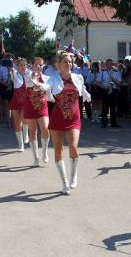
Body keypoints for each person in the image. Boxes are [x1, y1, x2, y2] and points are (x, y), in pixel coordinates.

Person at [46, 52, 91, 195]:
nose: (68, 64)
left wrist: (87, 96)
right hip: (57, 118)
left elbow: (82, 91)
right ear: (58, 64)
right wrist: (38, 84)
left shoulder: (78, 77)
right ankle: (64, 182)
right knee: (58, 150)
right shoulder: (52, 79)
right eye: (65, 62)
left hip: (74, 118)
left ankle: (74, 175)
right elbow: (45, 86)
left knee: (73, 146)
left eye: (70, 62)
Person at [24, 57, 50, 166]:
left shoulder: (46, 77)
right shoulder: (27, 76)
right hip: (30, 107)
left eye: (41, 65)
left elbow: (48, 89)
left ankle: (45, 152)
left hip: (42, 107)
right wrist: (33, 76)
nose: (40, 66)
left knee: (45, 129)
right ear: (32, 66)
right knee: (33, 132)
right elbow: (29, 84)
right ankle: (36, 158)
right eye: (37, 65)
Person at [10, 58, 29, 151]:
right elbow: (14, 80)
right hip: (16, 99)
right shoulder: (14, 74)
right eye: (21, 65)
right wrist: (13, 73)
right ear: (17, 66)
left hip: (26, 100)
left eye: (24, 65)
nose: (23, 67)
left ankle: (26, 134)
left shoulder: (29, 74)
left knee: (24, 118)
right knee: (17, 123)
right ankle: (20, 145)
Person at [98, 59, 121, 128]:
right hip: (105, 90)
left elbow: (119, 83)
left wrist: (112, 78)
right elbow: (97, 82)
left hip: (114, 90)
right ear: (105, 64)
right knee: (105, 107)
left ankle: (113, 123)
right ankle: (104, 123)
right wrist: (104, 87)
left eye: (110, 64)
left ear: (112, 64)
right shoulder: (102, 72)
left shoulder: (116, 72)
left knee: (113, 108)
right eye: (108, 64)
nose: (109, 65)